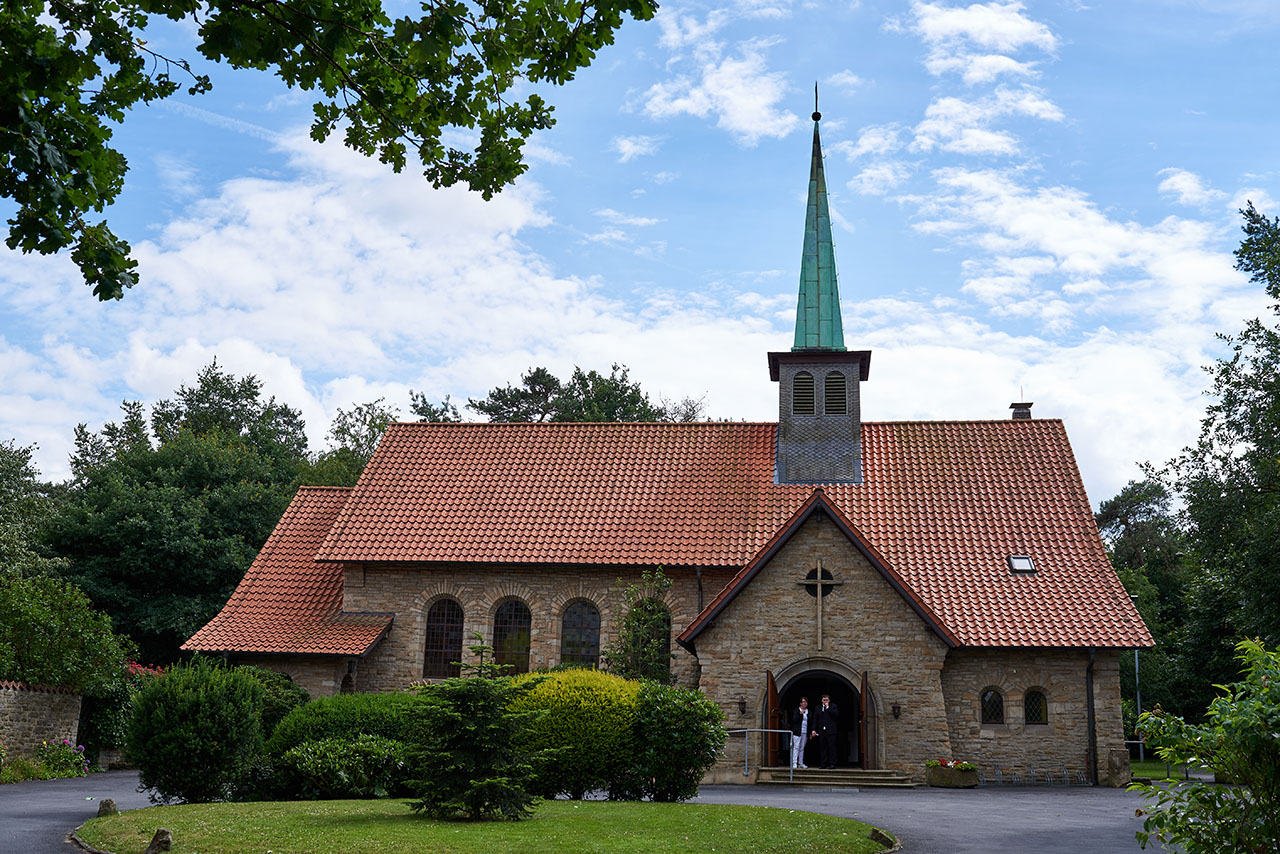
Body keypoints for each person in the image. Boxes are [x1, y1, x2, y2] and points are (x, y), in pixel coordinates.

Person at [812, 692, 839, 768]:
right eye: (824, 700)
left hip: (831, 731)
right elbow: (815, 719)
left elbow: (836, 715)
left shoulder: (833, 707)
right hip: (821, 731)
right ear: (821, 700)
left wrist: (828, 708)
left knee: (832, 748)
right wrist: (814, 729)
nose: (825, 701)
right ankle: (823, 763)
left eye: (826, 700)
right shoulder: (817, 708)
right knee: (823, 748)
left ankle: (832, 763)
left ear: (829, 700)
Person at [788, 696, 811, 769]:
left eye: (806, 702)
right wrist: (800, 714)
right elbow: (794, 720)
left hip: (805, 731)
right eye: (803, 702)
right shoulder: (796, 710)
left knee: (802, 748)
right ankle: (794, 762)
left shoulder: (809, 711)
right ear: (800, 703)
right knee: (796, 747)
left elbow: (810, 722)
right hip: (797, 732)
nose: (805, 703)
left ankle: (800, 762)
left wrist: (810, 733)